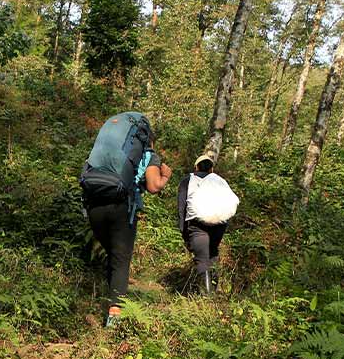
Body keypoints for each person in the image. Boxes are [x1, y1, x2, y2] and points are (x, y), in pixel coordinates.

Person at [80, 112, 172, 327]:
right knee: (121, 259)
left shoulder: (107, 153)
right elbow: (154, 186)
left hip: (94, 202)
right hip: (121, 205)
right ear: (148, 139)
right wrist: (165, 175)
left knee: (112, 254)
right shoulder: (148, 154)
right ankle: (114, 321)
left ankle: (106, 299)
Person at [177, 153, 234, 295]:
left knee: (202, 259)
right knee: (212, 254)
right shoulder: (219, 180)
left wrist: (184, 232)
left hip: (197, 225)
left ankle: (206, 297)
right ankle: (213, 293)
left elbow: (181, 208)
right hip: (219, 225)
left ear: (196, 167)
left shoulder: (187, 180)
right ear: (212, 170)